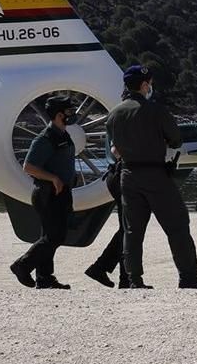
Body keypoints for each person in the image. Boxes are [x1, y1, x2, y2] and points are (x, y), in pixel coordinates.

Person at [104, 65, 197, 289]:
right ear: (144, 85)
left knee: (133, 230)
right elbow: (175, 139)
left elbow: (114, 147)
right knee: (177, 225)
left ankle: (134, 279)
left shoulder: (114, 114)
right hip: (155, 174)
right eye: (149, 83)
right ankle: (188, 277)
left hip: (127, 174)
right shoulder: (155, 111)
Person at [10, 95, 78, 289]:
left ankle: (45, 278)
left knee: (49, 235)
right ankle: (22, 265)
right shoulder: (46, 138)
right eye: (69, 112)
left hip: (61, 193)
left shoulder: (63, 135)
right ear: (58, 115)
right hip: (48, 193)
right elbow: (29, 166)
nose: (72, 115)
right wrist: (53, 178)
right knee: (55, 237)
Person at [82, 158, 151, 288]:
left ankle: (119, 276)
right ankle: (106, 270)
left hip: (119, 176)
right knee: (129, 229)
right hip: (124, 177)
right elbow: (116, 150)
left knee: (126, 230)